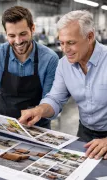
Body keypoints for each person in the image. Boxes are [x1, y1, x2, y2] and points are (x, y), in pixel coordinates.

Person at [19, 10, 107, 160]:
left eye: (71, 43)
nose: (65, 50)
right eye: (61, 43)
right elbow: (55, 98)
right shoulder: (63, 65)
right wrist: (39, 110)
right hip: (85, 133)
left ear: (90, 37)